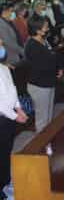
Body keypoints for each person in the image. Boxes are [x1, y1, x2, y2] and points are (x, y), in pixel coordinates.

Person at [0, 38, 28, 200]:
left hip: (9, 117)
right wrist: (14, 116)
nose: (2, 47)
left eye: (2, 44)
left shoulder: (4, 68)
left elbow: (12, 89)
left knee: (6, 151)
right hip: (3, 118)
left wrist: (18, 108)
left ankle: (5, 181)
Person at [25, 16, 63, 133]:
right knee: (42, 118)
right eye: (45, 27)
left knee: (49, 114)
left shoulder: (43, 40)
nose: (47, 29)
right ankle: (41, 143)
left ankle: (48, 136)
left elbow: (52, 56)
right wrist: (54, 70)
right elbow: (41, 67)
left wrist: (59, 68)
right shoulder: (32, 46)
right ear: (37, 30)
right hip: (39, 85)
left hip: (49, 82)